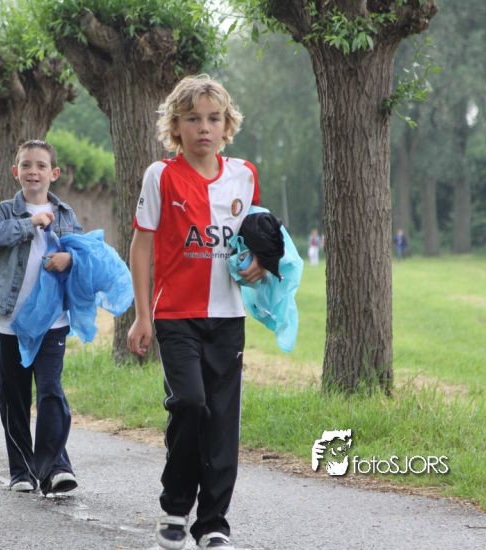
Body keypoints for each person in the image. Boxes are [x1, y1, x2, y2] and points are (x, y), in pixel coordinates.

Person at [127, 75, 266, 550]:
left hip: (228, 319)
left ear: (227, 125)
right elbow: (141, 246)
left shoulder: (244, 175)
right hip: (175, 316)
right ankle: (174, 505)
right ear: (176, 126)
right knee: (189, 403)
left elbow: (256, 238)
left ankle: (213, 524)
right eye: (192, 119)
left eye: (213, 118)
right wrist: (142, 315)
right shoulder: (160, 176)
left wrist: (258, 262)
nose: (203, 127)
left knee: (222, 420)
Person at [0, 139, 84, 496]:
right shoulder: (1, 212)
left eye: (40, 165)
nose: (33, 171)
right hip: (8, 321)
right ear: (15, 171)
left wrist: (70, 259)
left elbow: (85, 254)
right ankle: (21, 470)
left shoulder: (66, 214)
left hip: (52, 321)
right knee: (15, 398)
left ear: (54, 173)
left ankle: (55, 468)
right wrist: (29, 224)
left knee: (51, 391)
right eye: (26, 165)